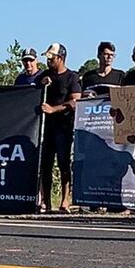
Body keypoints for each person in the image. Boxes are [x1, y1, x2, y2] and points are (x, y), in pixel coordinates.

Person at [38, 43, 82, 213]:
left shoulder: (71, 77)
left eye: (52, 58)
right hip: (45, 129)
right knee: (45, 165)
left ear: (61, 58)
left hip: (64, 127)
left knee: (64, 164)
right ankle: (47, 202)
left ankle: (65, 201)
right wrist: (41, 83)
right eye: (47, 58)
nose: (48, 61)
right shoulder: (45, 75)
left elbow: (75, 101)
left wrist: (53, 109)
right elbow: (32, 90)